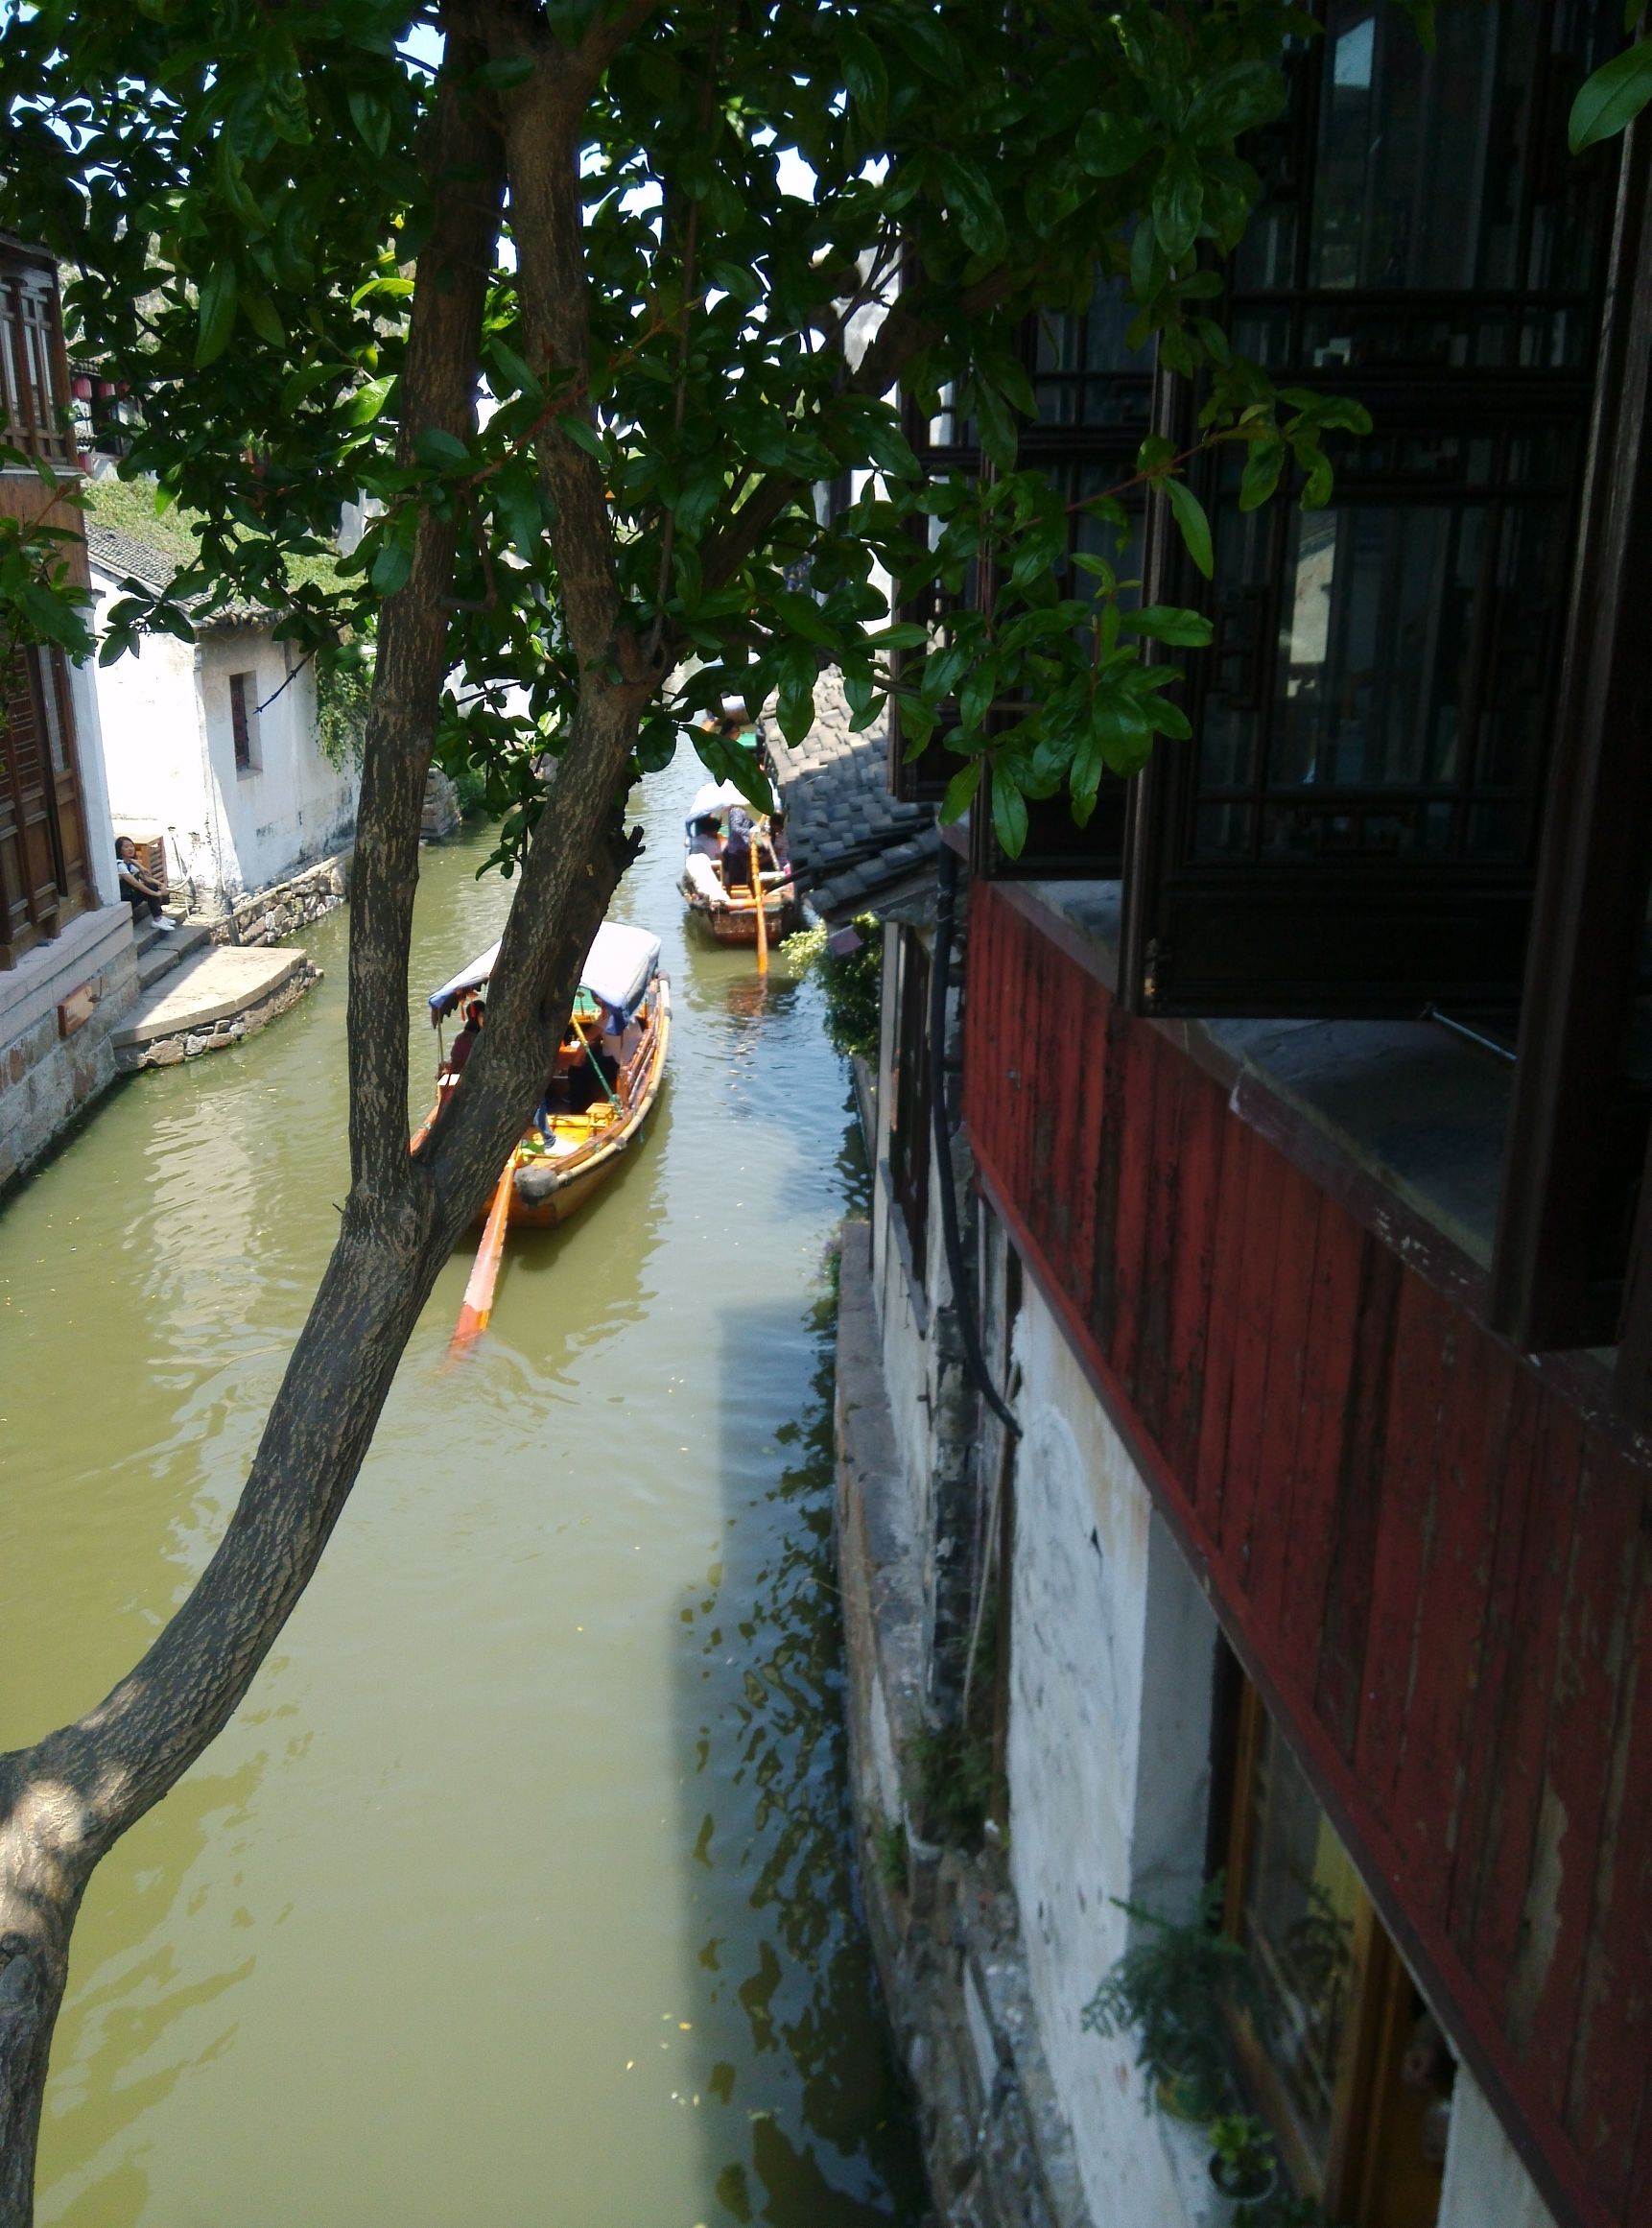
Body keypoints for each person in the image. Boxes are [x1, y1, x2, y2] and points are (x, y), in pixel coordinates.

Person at [116, 838, 175, 930]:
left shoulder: (130, 862)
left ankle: (159, 917)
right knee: (150, 889)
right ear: (119, 849)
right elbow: (137, 885)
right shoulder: (120, 866)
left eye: (131, 846)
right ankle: (157, 919)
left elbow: (145, 877)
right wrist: (156, 894)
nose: (130, 849)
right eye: (126, 847)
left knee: (153, 885)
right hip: (125, 898)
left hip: (131, 894)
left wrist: (160, 884)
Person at [444, 998, 484, 1080]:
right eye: (482, 1016)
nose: (485, 1019)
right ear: (474, 1017)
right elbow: (456, 1064)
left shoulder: (488, 1034)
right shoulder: (463, 1039)